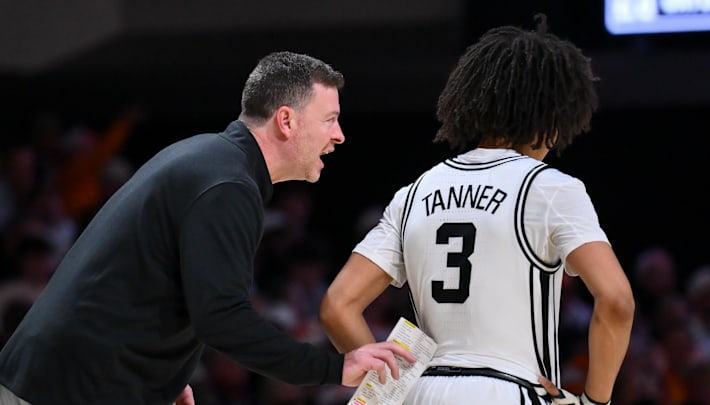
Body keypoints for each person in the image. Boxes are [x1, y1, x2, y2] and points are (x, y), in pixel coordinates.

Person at [0, 51, 414, 405]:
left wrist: (166, 375)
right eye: (330, 120)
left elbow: (140, 276)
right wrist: (335, 366)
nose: (339, 136)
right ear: (286, 121)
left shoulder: (209, 159)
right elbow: (222, 318)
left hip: (59, 379)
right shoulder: (227, 184)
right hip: (63, 389)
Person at [319, 14, 634, 405]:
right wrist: (594, 401)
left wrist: (389, 385)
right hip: (509, 389)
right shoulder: (550, 187)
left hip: (421, 391)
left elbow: (337, 306)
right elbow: (617, 301)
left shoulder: (414, 192)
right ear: (551, 114)